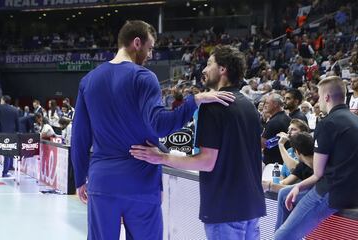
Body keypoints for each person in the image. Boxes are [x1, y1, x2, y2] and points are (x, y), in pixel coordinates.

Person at [71, 20, 235, 240]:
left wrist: (80, 178)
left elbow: (80, 136)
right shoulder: (143, 77)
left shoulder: (88, 81)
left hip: (103, 181)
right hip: (141, 181)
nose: (149, 55)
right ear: (137, 43)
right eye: (149, 48)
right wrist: (194, 101)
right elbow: (160, 125)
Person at [131, 45, 266, 240]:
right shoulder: (250, 106)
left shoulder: (212, 107)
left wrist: (160, 157)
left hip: (225, 209)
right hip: (252, 206)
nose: (203, 69)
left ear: (222, 69)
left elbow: (206, 161)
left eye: (209, 64)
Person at [274, 76, 358, 239]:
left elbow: (318, 173)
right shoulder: (355, 120)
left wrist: (298, 186)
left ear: (326, 97)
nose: (318, 101)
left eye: (319, 97)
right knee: (284, 194)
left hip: (331, 193)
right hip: (352, 191)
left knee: (281, 237)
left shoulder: (327, 124)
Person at [261, 93, 291, 165]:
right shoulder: (287, 118)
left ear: (275, 104)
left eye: (267, 103)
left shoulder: (274, 122)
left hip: (273, 162)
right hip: (284, 159)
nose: (264, 105)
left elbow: (263, 144)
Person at [0, 95, 19, 177]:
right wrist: (17, 132)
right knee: (8, 152)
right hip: (11, 133)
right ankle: (5, 172)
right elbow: (17, 123)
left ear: (3, 100)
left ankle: (7, 170)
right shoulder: (15, 110)